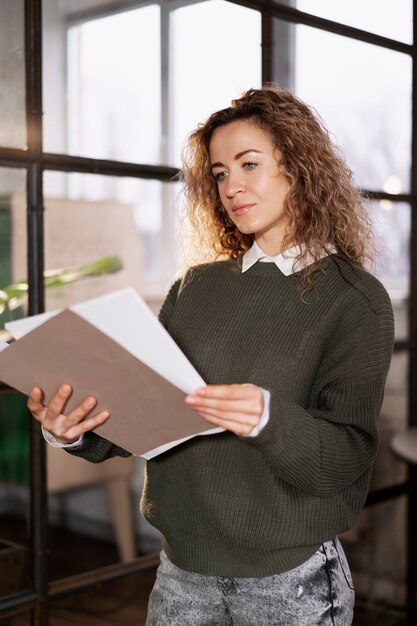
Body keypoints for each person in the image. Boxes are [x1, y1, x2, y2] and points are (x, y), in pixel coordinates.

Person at [28, 84, 394, 625]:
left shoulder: (355, 300)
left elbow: (346, 456)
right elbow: (148, 410)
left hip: (291, 585)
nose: (232, 186)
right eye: (221, 173)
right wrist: (73, 429)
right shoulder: (195, 287)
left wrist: (270, 418)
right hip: (181, 575)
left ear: (300, 168)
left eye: (249, 164)